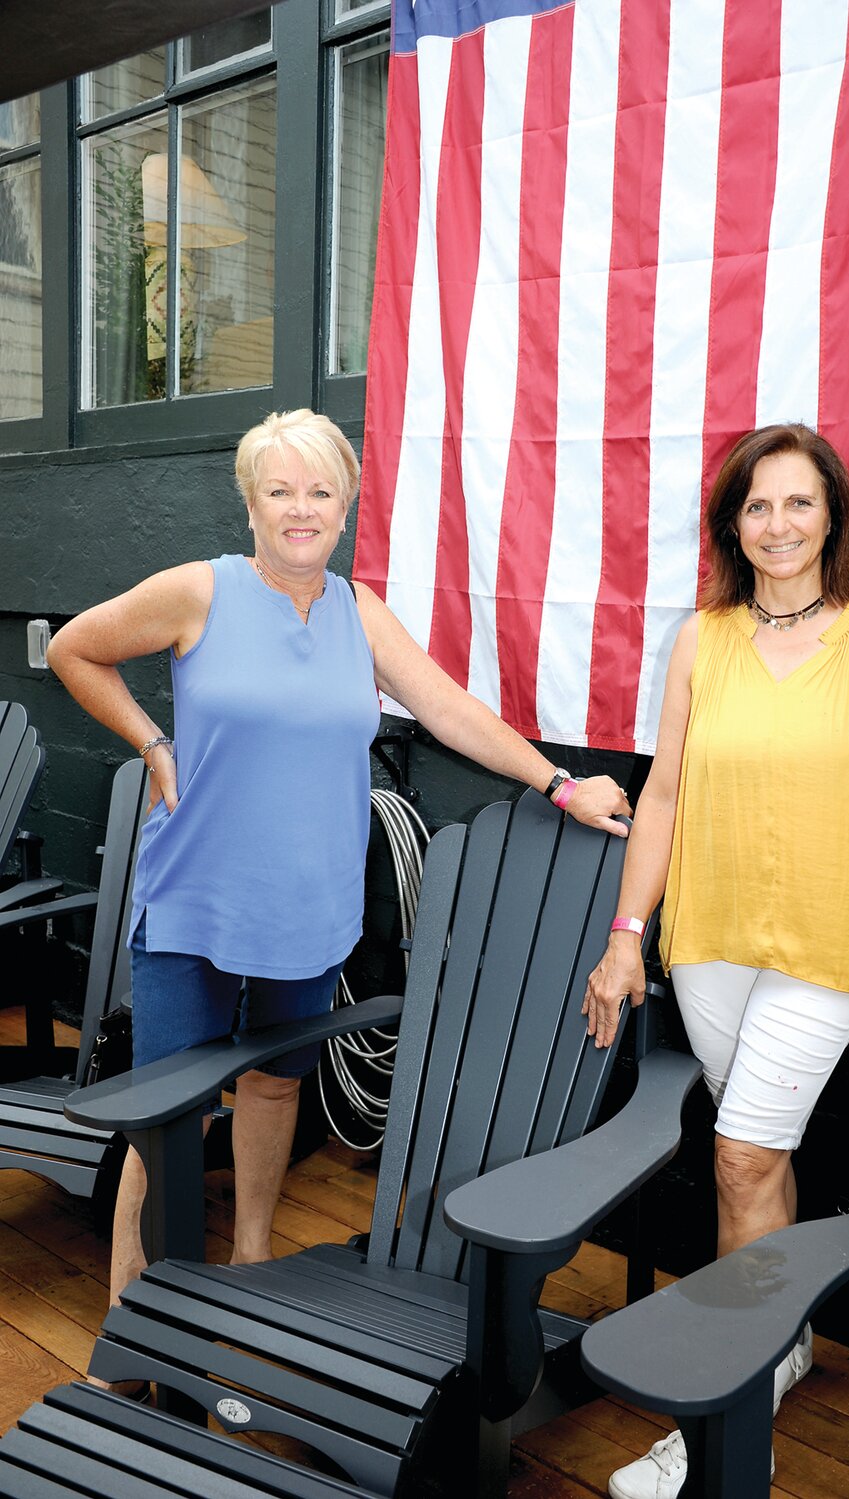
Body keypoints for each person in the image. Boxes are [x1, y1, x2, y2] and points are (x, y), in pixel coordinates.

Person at [47, 407, 631, 1332]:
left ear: (346, 502)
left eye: (320, 491)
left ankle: (249, 1261)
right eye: (280, 491)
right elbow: (70, 648)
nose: (300, 509)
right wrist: (154, 744)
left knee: (276, 1087)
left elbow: (450, 711)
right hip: (194, 901)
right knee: (168, 1116)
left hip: (307, 912)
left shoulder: (361, 614)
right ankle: (129, 1300)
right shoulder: (199, 591)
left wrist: (559, 784)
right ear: (251, 505)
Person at [582, 423, 849, 1499]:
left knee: (738, 1159)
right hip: (710, 939)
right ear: (729, 524)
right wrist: (624, 935)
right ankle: (777, 1340)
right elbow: (662, 794)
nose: (777, 524)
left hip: (830, 946)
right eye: (756, 505)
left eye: (798, 502)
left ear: (830, 513)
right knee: (761, 1154)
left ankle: (722, 1421)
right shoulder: (701, 637)